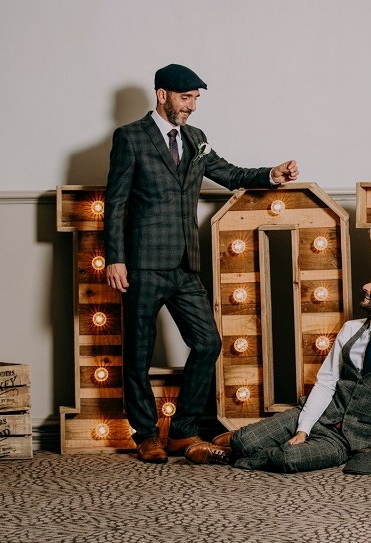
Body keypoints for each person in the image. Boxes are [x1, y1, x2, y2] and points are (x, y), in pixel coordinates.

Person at [104, 63, 298, 463]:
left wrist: (271, 174)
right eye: (184, 98)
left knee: (208, 343)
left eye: (195, 99)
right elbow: (116, 201)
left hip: (185, 264)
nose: (191, 106)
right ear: (162, 95)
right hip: (142, 263)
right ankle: (146, 435)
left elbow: (227, 174)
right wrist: (116, 259)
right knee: (139, 353)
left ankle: (182, 430)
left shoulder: (197, 139)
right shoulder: (131, 138)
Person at [185, 265, 371, 472]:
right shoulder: (350, 329)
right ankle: (241, 442)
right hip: (315, 413)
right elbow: (326, 382)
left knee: (290, 460)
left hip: (345, 439)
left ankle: (232, 456)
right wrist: (304, 427)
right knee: (250, 439)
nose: (366, 286)